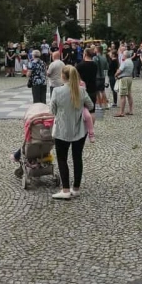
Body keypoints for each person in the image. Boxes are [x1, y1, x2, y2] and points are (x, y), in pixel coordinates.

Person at [48, 65, 93, 200]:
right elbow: (91, 106)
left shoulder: (57, 91)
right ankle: (76, 188)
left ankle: (66, 189)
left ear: (63, 76)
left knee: (62, 159)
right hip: (79, 129)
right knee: (77, 158)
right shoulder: (82, 90)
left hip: (62, 129)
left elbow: (52, 110)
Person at [76, 49, 102, 114]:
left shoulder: (80, 65)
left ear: (85, 54)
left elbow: (76, 76)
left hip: (82, 89)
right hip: (93, 88)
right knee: (92, 111)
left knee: (82, 110)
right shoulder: (95, 65)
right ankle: (91, 124)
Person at [114, 50, 135, 117]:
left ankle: (121, 112)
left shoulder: (124, 62)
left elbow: (119, 71)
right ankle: (131, 110)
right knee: (129, 94)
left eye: (123, 54)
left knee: (122, 95)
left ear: (125, 55)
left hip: (123, 79)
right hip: (129, 77)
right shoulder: (131, 61)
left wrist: (116, 75)